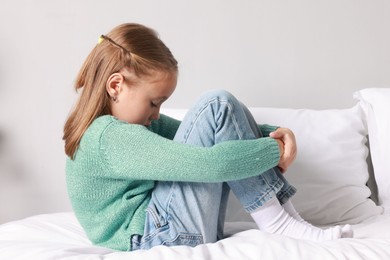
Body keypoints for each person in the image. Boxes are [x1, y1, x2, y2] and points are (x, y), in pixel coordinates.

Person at [63, 23, 353, 251]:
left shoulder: (128, 128)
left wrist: (271, 133)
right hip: (152, 236)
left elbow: (212, 130)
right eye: (154, 102)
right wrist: (274, 149)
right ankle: (277, 221)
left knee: (222, 107)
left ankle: (286, 218)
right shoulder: (109, 138)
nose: (156, 114)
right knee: (217, 104)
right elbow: (210, 165)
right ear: (116, 86)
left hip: (168, 229)